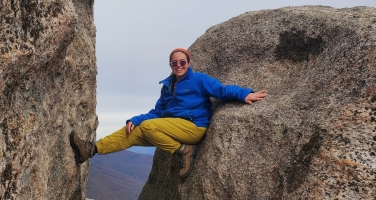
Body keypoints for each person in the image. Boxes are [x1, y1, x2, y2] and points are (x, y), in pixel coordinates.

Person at [70, 48, 267, 178]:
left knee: (147, 127)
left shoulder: (198, 80)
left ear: (189, 63)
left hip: (194, 127)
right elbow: (158, 112)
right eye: (175, 63)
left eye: (182, 62)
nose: (179, 65)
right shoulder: (168, 87)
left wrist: (245, 95)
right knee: (133, 130)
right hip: (172, 128)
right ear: (170, 65)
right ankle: (90, 150)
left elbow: (221, 90)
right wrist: (135, 119)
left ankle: (185, 150)